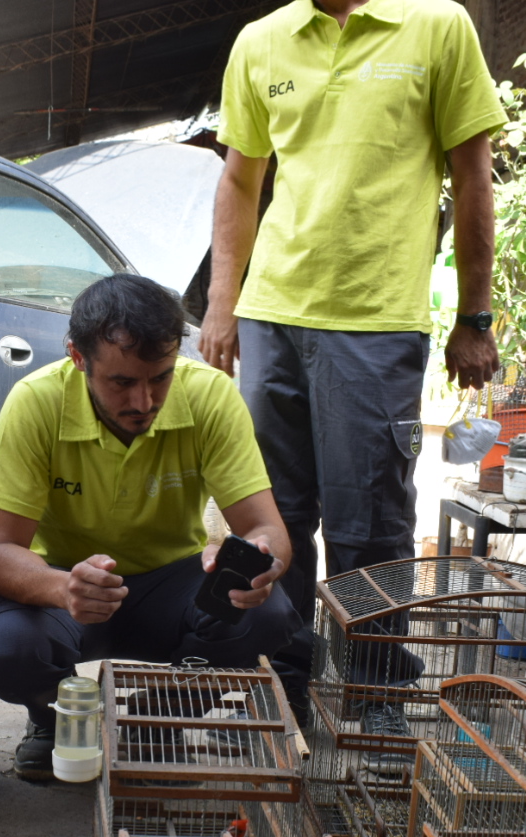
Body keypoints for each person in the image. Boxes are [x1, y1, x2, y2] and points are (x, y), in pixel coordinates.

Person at [200, 0, 507, 754]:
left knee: (368, 524)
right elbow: (242, 179)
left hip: (375, 319)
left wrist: (476, 315)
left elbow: (472, 178)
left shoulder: (438, 27)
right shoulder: (262, 40)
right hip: (273, 314)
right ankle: (282, 684)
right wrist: (222, 301)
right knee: (272, 517)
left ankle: (374, 692)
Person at [0, 273, 301, 780]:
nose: (143, 401)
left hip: (173, 585)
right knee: (8, 646)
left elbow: (267, 532)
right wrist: (62, 587)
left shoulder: (210, 396)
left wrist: (256, 562)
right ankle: (54, 720)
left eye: (160, 377)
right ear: (78, 357)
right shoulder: (36, 402)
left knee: (268, 614)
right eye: (121, 382)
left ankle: (155, 718)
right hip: (67, 588)